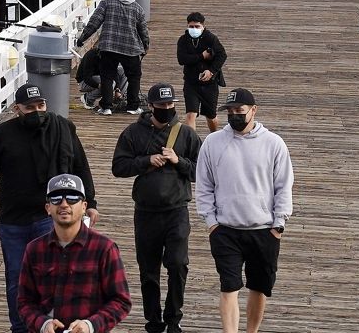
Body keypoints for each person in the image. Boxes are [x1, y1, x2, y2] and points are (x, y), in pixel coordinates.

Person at [0, 83, 100, 333]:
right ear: (17, 108)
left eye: (41, 106)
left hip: (50, 216)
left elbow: (80, 166)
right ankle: (19, 327)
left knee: (52, 277)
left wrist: (90, 203)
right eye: (30, 108)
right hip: (12, 219)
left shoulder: (63, 127)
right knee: (17, 279)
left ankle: (49, 326)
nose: (37, 111)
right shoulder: (3, 133)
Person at [196, 89, 294, 333]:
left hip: (264, 229)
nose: (234, 116)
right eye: (229, 112)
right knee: (228, 286)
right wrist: (211, 222)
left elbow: (284, 185)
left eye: (239, 111)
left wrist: (278, 224)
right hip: (225, 229)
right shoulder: (213, 142)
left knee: (259, 287)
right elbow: (204, 184)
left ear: (253, 110)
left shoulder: (274, 143)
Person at [112, 83, 202, 333]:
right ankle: (153, 320)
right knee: (148, 270)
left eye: (170, 104)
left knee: (177, 264)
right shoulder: (133, 133)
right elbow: (118, 167)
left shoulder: (186, 135)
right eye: (161, 105)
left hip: (177, 211)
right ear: (150, 105)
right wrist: (145, 161)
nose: (167, 108)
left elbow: (202, 172)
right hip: (145, 212)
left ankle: (174, 319)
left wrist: (178, 161)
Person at [18, 175, 132, 333]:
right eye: (56, 198)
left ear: (84, 206)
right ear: (48, 208)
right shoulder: (33, 249)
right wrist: (42, 324)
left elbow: (121, 301)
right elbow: (24, 302)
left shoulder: (105, 248)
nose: (64, 204)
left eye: (72, 198)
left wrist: (91, 325)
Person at [75, 0, 150, 115]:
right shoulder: (137, 8)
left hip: (108, 47)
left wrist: (82, 39)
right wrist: (146, 46)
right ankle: (133, 107)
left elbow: (94, 23)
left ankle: (106, 107)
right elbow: (143, 31)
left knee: (107, 76)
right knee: (134, 77)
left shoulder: (106, 3)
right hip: (131, 48)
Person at [176, 12, 228, 132]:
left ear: (203, 26)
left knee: (211, 116)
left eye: (197, 26)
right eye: (191, 26)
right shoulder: (183, 40)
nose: (194, 29)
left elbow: (222, 55)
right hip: (191, 83)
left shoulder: (211, 38)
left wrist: (211, 71)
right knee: (190, 114)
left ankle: (214, 136)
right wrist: (201, 56)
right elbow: (182, 59)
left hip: (209, 84)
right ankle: (191, 144)